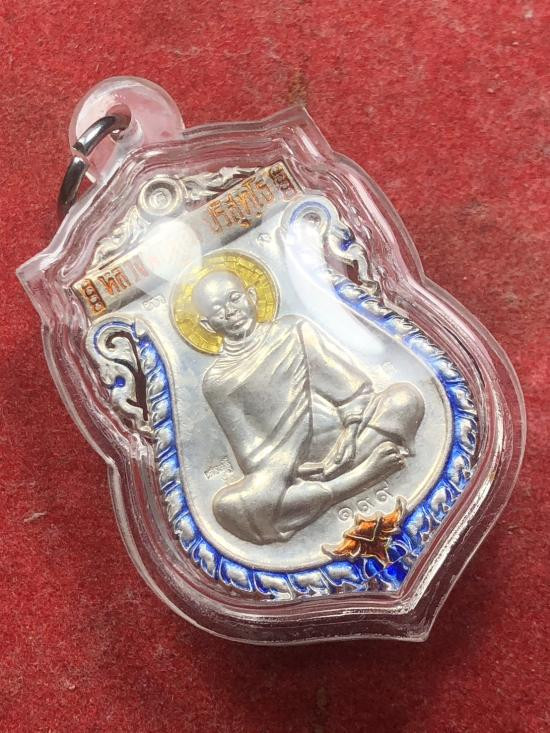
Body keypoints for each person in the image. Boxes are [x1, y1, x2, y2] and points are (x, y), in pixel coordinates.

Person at [192, 270, 424, 545]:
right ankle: (356, 480)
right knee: (229, 507)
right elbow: (250, 454)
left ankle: (327, 488)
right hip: (293, 474)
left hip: (353, 443)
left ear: (251, 296)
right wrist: (296, 470)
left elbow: (351, 389)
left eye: (234, 298)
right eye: (218, 310)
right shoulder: (217, 382)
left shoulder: (293, 330)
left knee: (404, 399)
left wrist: (349, 434)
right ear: (207, 325)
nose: (231, 312)